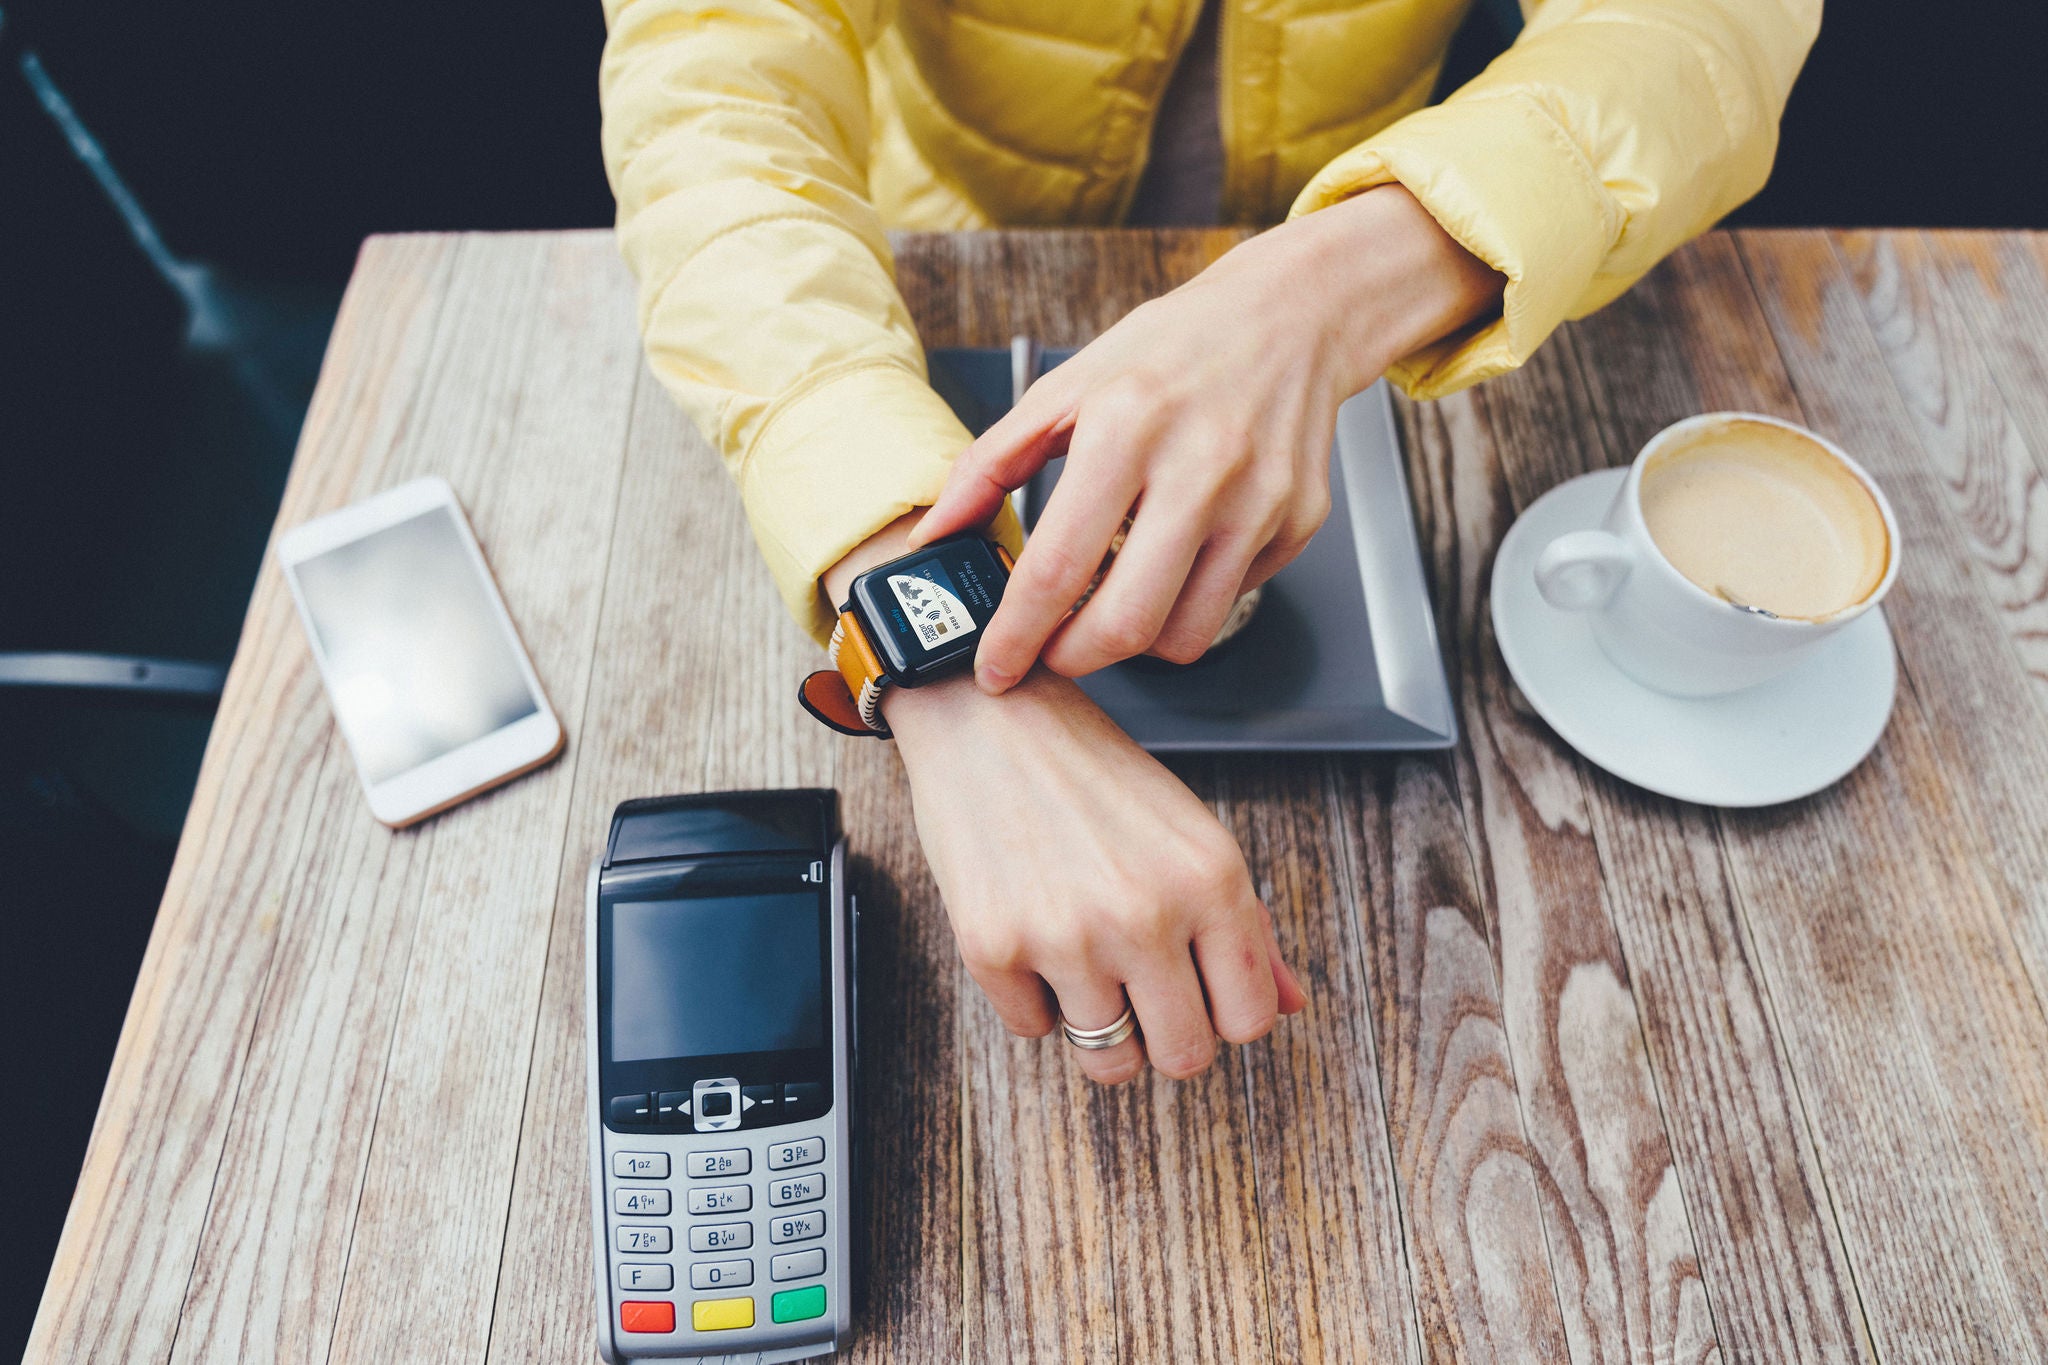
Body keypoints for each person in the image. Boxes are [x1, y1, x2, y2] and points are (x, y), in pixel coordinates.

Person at [597, 0, 1818, 1085]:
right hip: (915, 281)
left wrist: (1325, 290)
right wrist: (931, 633)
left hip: (1378, 247)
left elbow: (1710, 26)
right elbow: (706, 83)